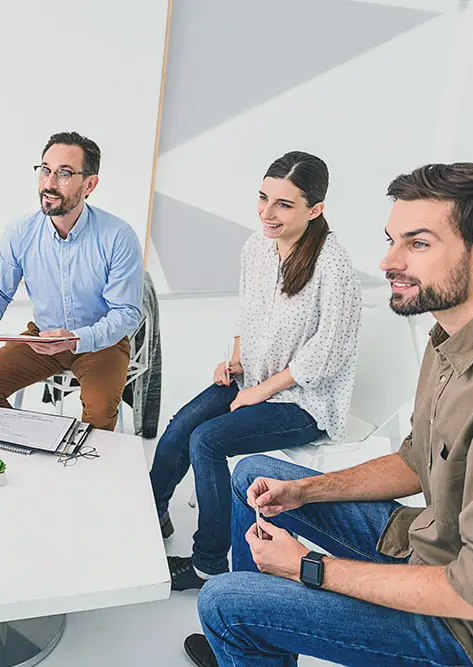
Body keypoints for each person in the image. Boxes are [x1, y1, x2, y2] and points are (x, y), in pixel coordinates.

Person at [185, 162, 473, 667]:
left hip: (467, 632)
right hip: (426, 543)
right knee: (257, 476)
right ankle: (254, 634)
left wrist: (309, 569)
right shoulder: (448, 333)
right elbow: (414, 461)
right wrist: (303, 490)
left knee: (223, 604)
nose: (388, 261)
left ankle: (245, 623)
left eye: (418, 244)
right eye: (391, 240)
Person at [150, 151, 362, 592]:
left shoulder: (333, 266)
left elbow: (328, 355)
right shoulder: (257, 247)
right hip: (253, 380)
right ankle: (151, 519)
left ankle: (209, 563)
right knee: (179, 427)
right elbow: (247, 311)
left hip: (304, 401)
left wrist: (262, 390)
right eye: (263, 198)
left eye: (284, 204)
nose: (267, 213)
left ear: (315, 209)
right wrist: (236, 359)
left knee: (206, 440)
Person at [0, 131, 143, 430]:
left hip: (101, 343)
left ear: (90, 184)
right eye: (45, 170)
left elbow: (127, 313)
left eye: (64, 174)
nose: (49, 183)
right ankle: (44, 442)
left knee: (99, 415)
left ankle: (80, 464)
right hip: (43, 338)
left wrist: (77, 339)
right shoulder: (20, 232)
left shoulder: (117, 236)